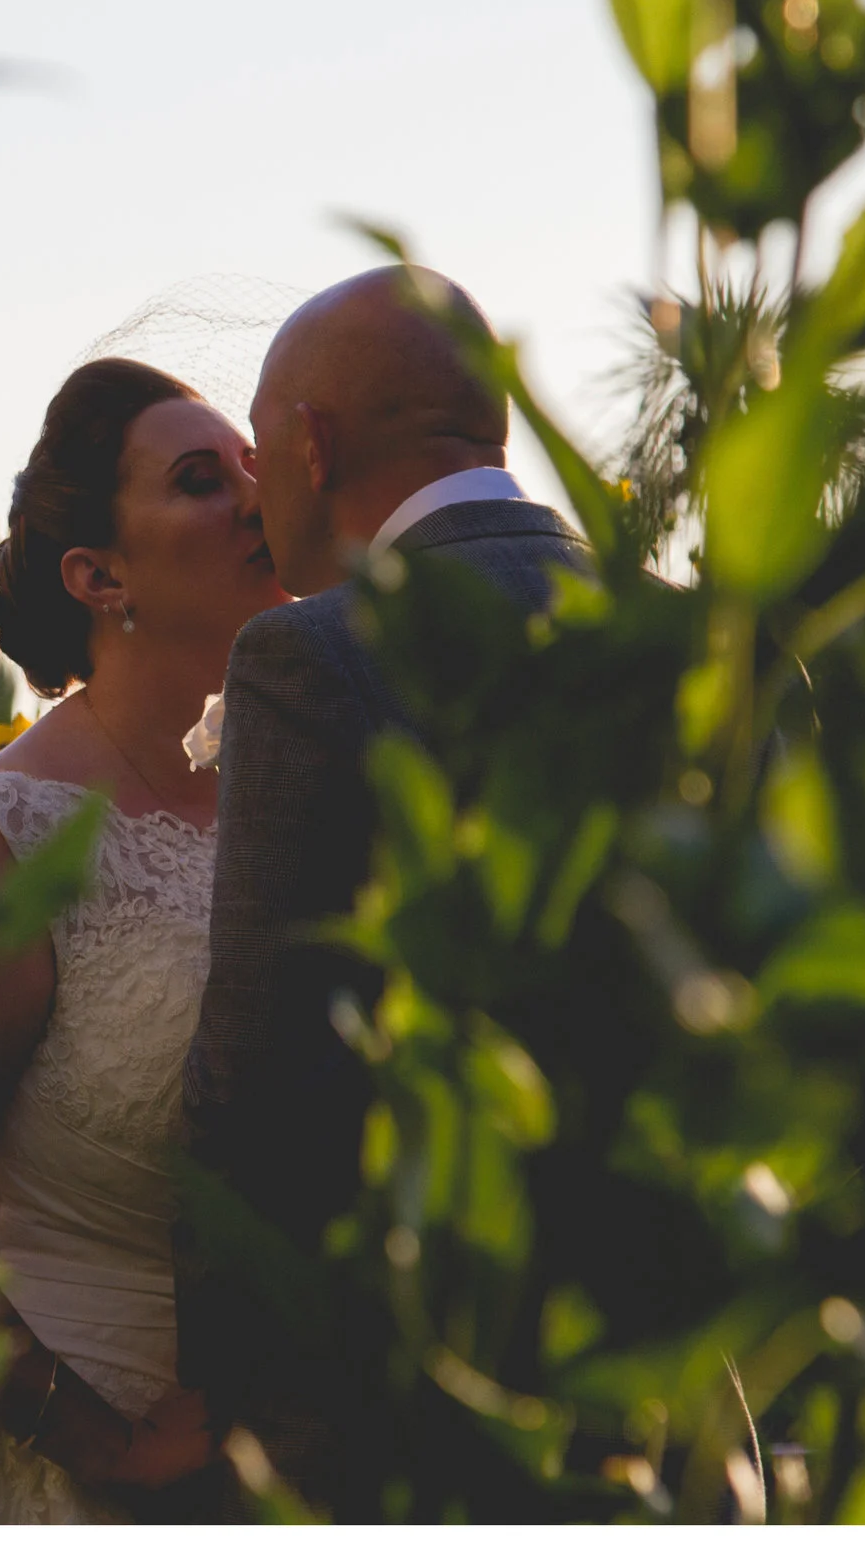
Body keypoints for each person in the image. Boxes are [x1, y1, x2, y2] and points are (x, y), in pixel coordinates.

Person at [0, 356, 293, 1522]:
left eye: (251, 470)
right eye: (196, 481)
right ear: (97, 574)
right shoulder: (2, 843)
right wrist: (98, 1441)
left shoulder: (292, 789)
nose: (252, 502)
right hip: (53, 1474)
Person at [178, 265, 592, 1510]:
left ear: (308, 443)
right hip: (665, 1393)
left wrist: (226, 1410)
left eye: (255, 444)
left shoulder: (315, 658)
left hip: (395, 1411)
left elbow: (254, 1075)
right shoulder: (699, 638)